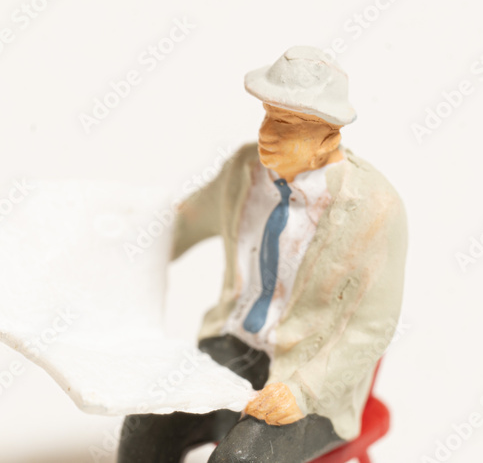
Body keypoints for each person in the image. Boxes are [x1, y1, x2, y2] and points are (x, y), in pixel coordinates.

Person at [117, 46, 408, 463]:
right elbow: (183, 224)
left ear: (328, 139)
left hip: (309, 376)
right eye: (268, 116)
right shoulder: (244, 171)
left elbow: (372, 327)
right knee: (145, 425)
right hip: (233, 347)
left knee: (240, 459)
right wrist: (114, 248)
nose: (267, 134)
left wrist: (302, 391)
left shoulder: (374, 208)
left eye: (287, 125)